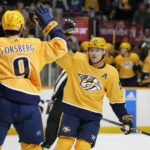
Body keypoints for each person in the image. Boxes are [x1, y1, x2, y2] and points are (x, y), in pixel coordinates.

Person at [0, 5, 69, 150]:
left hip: (3, 102)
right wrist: (50, 25)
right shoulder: (35, 44)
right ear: (21, 27)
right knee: (32, 147)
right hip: (28, 103)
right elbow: (62, 46)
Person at [53, 37, 133, 150]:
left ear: (104, 52)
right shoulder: (78, 59)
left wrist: (124, 117)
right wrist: (63, 36)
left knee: (83, 146)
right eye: (91, 50)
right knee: (64, 144)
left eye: (98, 50)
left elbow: (116, 100)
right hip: (71, 112)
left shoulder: (111, 72)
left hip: (91, 117)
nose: (94, 53)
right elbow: (59, 57)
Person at [41, 69, 67, 150]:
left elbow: (61, 82)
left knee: (53, 120)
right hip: (78, 101)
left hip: (64, 99)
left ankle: (46, 145)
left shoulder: (70, 65)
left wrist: (54, 97)